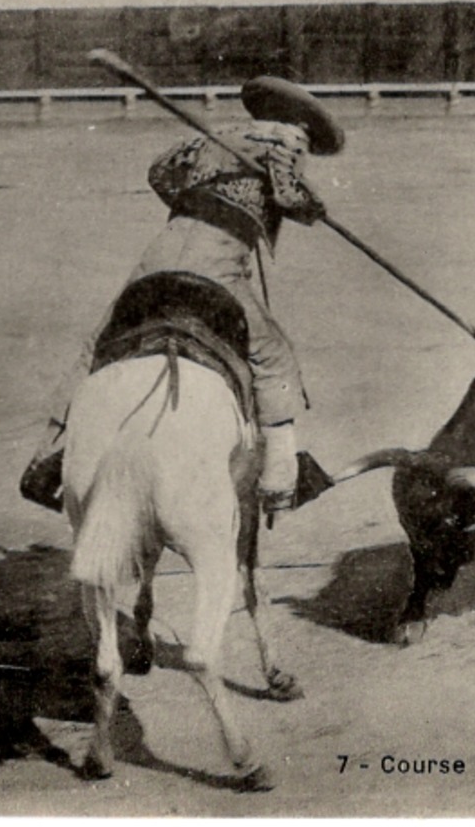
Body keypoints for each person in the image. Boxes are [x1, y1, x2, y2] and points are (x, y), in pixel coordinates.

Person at [23, 75, 345, 518]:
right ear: (299, 120)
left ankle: (49, 456)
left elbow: (159, 174)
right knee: (274, 355)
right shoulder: (287, 140)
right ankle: (279, 474)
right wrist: (316, 210)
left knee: (98, 343)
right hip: (217, 261)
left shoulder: (212, 134)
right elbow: (290, 194)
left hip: (159, 254)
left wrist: (198, 199)